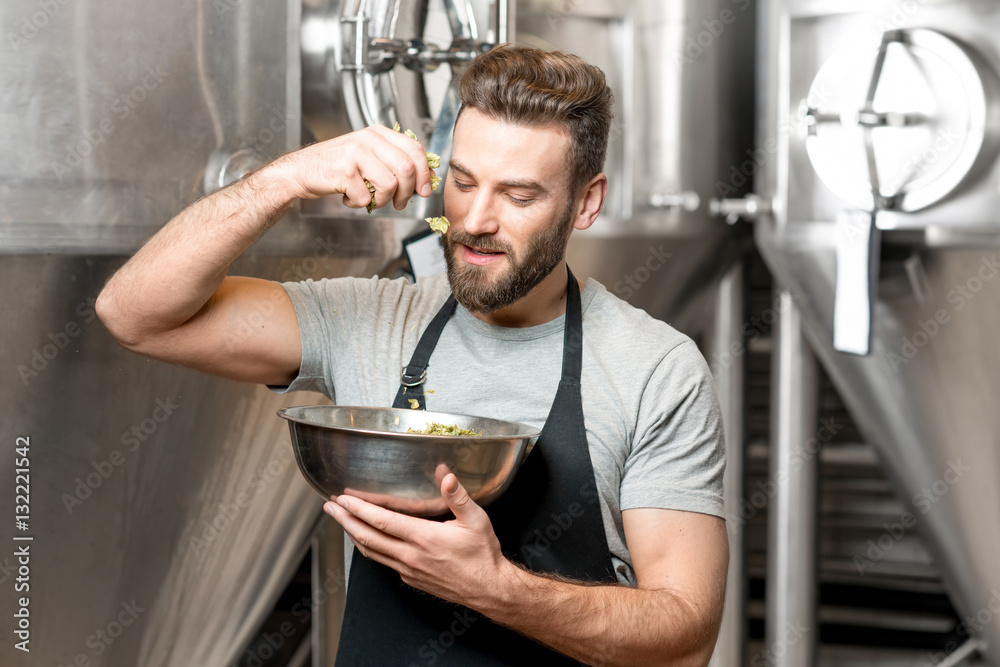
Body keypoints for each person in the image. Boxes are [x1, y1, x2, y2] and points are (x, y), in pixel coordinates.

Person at [97, 44, 728, 666]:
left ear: (586, 202)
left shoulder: (655, 370)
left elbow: (685, 641)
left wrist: (497, 590)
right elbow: (135, 316)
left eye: (518, 196)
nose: (474, 219)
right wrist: (283, 180)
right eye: (462, 181)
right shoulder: (372, 319)